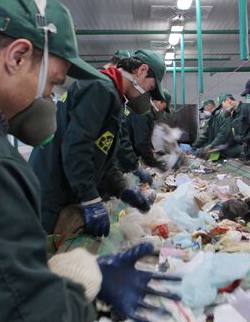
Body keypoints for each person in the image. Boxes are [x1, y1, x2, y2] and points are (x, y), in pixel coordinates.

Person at [0, 0, 178, 322]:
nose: (47, 99)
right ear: (18, 56)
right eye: (53, 84)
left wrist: (120, 189)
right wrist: (84, 289)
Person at [30, 49, 167, 237]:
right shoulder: (100, 89)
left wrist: (122, 189)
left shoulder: (113, 97)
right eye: (150, 88)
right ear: (141, 70)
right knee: (46, 251)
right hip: (51, 188)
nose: (147, 95)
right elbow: (77, 149)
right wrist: (90, 199)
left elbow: (104, 155)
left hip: (64, 186)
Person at [119, 89, 171, 172]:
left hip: (122, 153)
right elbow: (141, 142)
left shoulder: (141, 106)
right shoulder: (145, 112)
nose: (163, 110)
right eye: (164, 107)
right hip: (123, 157)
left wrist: (152, 151)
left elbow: (143, 136)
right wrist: (153, 162)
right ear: (161, 102)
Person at [219, 93, 250, 160]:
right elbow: (237, 135)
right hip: (247, 149)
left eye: (223, 105)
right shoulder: (234, 115)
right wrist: (227, 145)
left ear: (228, 100)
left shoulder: (246, 108)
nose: (223, 108)